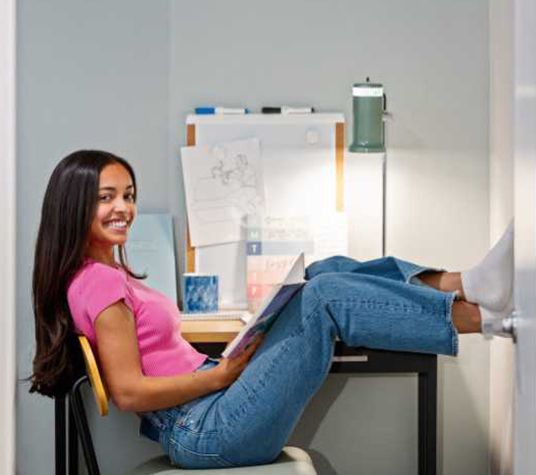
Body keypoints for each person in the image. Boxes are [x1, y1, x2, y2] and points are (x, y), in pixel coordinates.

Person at [29, 150, 514, 469]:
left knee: (324, 270)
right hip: (205, 428)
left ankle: (466, 284)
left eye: (128, 196)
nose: (124, 208)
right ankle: (479, 315)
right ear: (74, 206)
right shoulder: (97, 283)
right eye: (106, 198)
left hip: (210, 409)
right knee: (322, 297)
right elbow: (129, 392)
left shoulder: (99, 276)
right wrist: (220, 377)